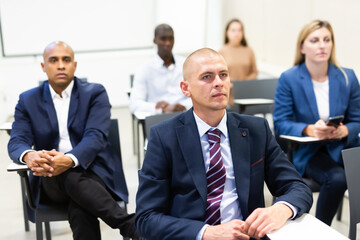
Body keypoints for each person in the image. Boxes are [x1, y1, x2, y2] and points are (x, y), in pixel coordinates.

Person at [135, 48, 312, 240]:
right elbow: (146, 218)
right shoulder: (164, 137)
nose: (218, 83)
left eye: (223, 75)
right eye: (207, 77)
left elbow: (297, 187)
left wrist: (281, 209)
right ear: (186, 88)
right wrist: (206, 233)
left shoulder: (256, 130)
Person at [7, 41, 141, 240]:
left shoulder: (95, 93)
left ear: (74, 65)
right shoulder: (28, 100)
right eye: (54, 60)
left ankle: (129, 226)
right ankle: (129, 225)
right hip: (51, 179)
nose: (61, 65)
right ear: (43, 66)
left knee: (81, 207)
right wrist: (30, 155)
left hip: (95, 172)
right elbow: (17, 140)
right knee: (62, 172)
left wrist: (68, 160)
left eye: (66, 60)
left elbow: (95, 136)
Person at [273, 20, 360, 226]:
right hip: (308, 150)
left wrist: (345, 130)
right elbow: (280, 123)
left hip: (341, 146)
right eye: (315, 40)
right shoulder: (289, 78)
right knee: (338, 178)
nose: (322, 45)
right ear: (302, 47)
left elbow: (358, 119)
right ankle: (322, 230)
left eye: (326, 40)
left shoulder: (347, 77)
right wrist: (309, 129)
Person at [129, 23, 192, 114]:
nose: (168, 43)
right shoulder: (145, 69)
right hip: (158, 118)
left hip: (184, 114)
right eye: (163, 39)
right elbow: (134, 104)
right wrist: (160, 108)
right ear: (155, 40)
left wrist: (183, 105)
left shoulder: (186, 64)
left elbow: (199, 96)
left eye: (171, 39)